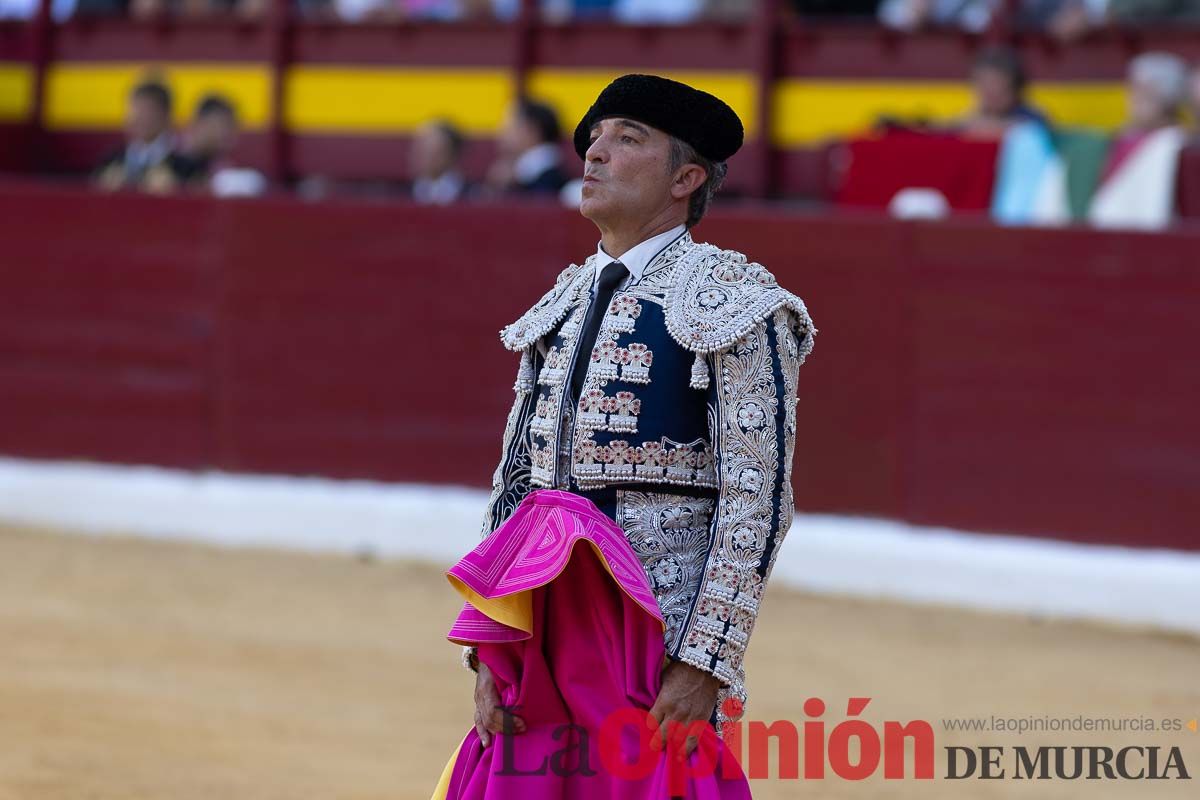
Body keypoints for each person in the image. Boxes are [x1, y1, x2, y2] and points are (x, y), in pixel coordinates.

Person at [469, 74, 817, 759]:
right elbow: (516, 482)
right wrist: (491, 643)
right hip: (542, 621)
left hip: (654, 633)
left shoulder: (738, 302)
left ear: (686, 178)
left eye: (627, 139)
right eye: (595, 139)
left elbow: (757, 501)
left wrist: (704, 662)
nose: (595, 154)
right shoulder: (561, 302)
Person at [1089, 51, 1189, 229]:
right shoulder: (1119, 139)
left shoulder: (1178, 143)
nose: (1133, 98)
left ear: (1168, 98)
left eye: (1145, 90)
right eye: (1133, 88)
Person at [94, 80, 193, 194]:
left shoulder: (186, 167)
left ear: (166, 116)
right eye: (135, 110)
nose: (139, 117)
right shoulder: (110, 161)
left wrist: (175, 190)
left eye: (147, 111)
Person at [959, 46, 1051, 139]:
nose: (993, 91)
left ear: (1015, 88)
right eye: (986, 86)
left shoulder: (1034, 122)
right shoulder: (963, 125)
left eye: (999, 86)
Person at [485, 98, 568, 196]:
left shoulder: (547, 180)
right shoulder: (516, 174)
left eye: (511, 127)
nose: (502, 134)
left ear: (532, 131)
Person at [408, 120, 468, 205]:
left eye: (433, 149)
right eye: (421, 148)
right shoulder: (403, 194)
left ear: (452, 154)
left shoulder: (472, 196)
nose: (425, 155)